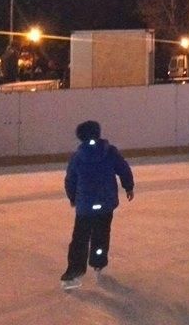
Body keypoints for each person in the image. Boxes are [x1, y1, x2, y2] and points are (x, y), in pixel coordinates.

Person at [61, 120, 134, 289]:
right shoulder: (110, 152)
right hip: (105, 204)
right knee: (101, 234)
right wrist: (128, 186)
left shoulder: (78, 157)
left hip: (85, 206)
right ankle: (98, 261)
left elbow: (70, 179)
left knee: (80, 238)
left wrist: (72, 197)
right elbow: (123, 168)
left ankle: (74, 271)